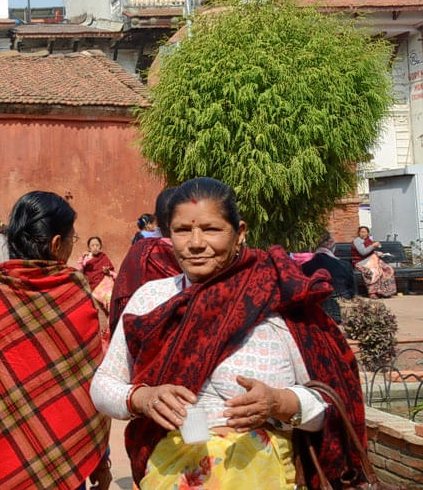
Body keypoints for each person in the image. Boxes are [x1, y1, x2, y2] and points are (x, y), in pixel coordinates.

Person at [91, 177, 367, 489]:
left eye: (211, 229)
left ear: (240, 233)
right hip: (170, 473)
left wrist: (279, 402)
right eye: (183, 230)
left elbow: (330, 406)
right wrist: (142, 398)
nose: (195, 243)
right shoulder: (151, 300)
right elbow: (102, 386)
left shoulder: (276, 298)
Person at [0, 191, 111, 490]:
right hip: (66, 454)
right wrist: (101, 458)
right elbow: (91, 386)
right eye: (71, 238)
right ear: (56, 244)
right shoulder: (75, 293)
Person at [108, 187, 179, 333]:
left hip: (142, 336)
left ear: (157, 220)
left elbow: (124, 292)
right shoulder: (206, 253)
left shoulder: (141, 250)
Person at [301, 232, 356, 324]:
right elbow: (353, 291)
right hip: (342, 308)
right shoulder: (345, 265)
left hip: (316, 310)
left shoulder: (305, 266)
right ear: (333, 248)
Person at [351, 226, 396, 298]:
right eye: (361, 232)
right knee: (374, 271)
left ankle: (384, 291)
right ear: (358, 233)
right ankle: (372, 292)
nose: (363, 234)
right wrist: (373, 245)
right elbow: (363, 252)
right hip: (361, 262)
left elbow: (370, 251)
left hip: (371, 260)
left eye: (365, 232)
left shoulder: (368, 240)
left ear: (368, 233)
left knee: (388, 269)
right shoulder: (357, 241)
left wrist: (377, 252)